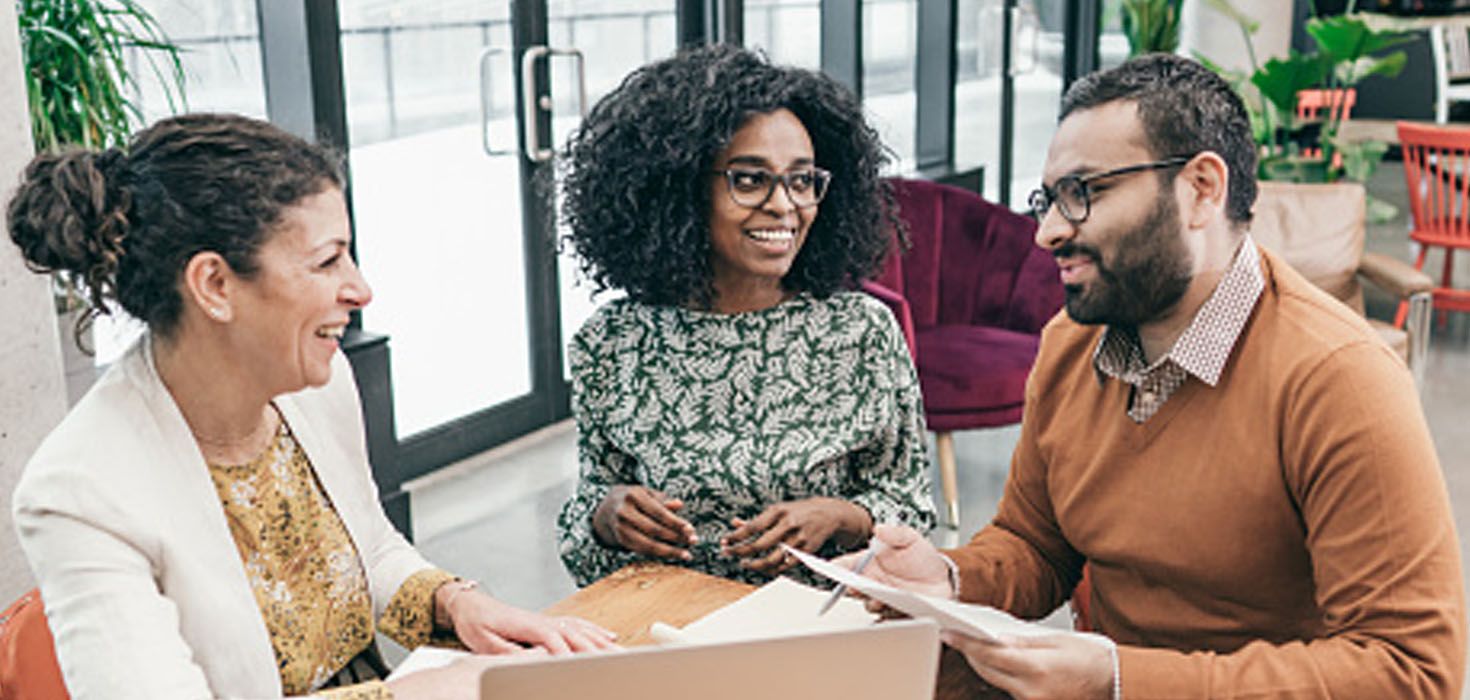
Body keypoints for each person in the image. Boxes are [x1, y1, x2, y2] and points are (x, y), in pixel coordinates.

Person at [838, 54, 1466, 699]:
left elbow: (1413, 673)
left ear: (1200, 190)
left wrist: (1119, 680)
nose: (1048, 233)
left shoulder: (1341, 382)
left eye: (1084, 192)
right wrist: (947, 578)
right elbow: (1035, 543)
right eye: (1048, 199)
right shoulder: (1069, 346)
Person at [8, 113, 616, 700]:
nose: (360, 288)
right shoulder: (81, 492)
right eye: (328, 261)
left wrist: (455, 605)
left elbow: (369, 547)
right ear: (215, 286)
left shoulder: (317, 385)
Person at [554, 44, 936, 586]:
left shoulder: (861, 332)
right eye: (751, 179)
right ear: (679, 189)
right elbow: (584, 522)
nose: (785, 205)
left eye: (802, 180)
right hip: (669, 628)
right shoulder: (612, 342)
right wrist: (607, 516)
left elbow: (913, 513)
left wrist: (840, 517)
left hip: (817, 630)